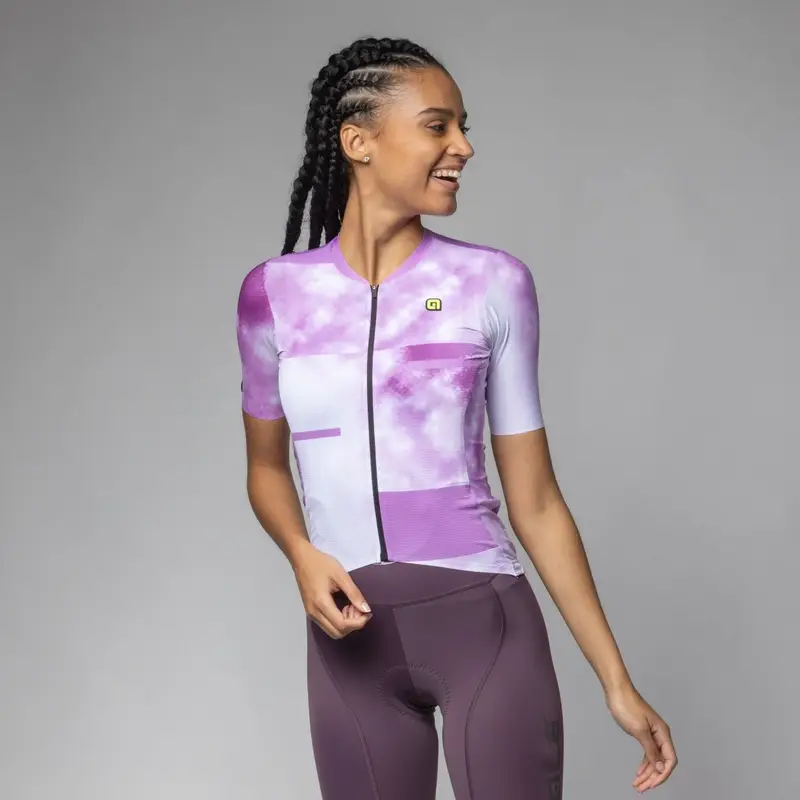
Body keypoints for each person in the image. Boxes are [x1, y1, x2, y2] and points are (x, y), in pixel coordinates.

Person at [235, 35, 677, 800]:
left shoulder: (491, 284)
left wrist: (616, 681)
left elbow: (537, 502)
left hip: (485, 629)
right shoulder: (273, 296)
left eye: (463, 127)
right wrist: (302, 554)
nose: (463, 147)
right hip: (348, 652)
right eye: (438, 126)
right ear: (359, 141)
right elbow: (266, 469)